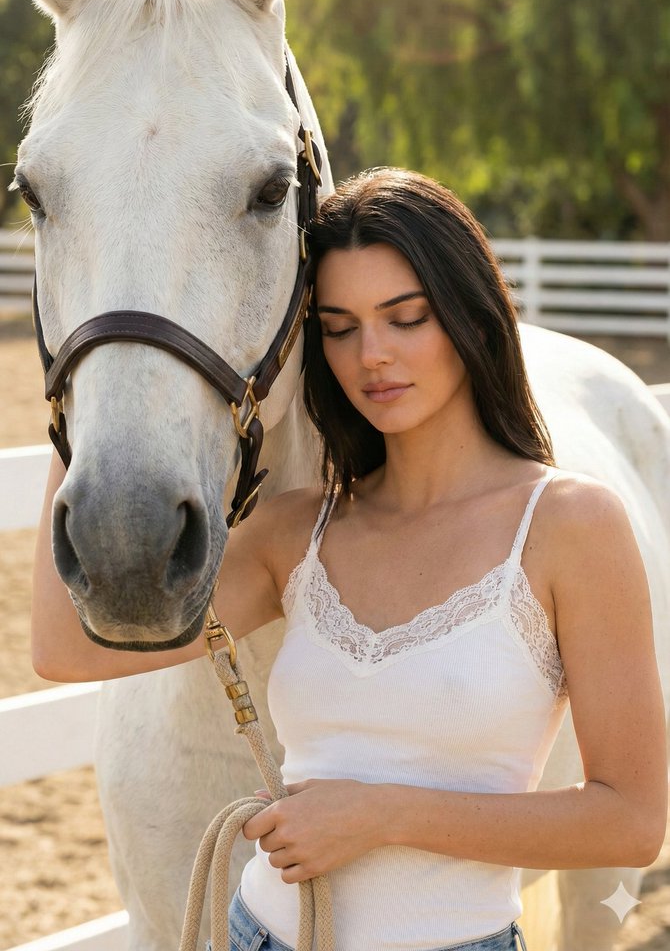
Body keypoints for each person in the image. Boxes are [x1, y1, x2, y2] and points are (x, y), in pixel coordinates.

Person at [32, 168, 667, 951]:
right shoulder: (303, 532)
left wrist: (379, 815)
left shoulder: (569, 524)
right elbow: (63, 648)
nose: (373, 355)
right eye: (339, 326)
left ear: (470, 315)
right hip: (261, 934)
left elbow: (631, 822)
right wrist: (88, 396)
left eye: (406, 318)